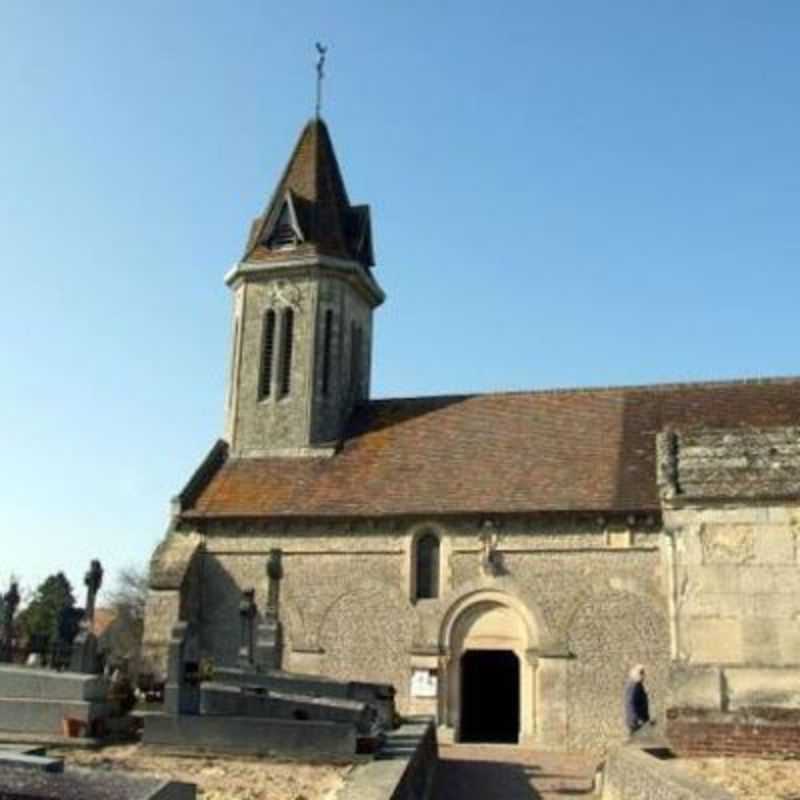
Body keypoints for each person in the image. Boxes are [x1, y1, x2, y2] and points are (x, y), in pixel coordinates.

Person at [623, 664, 651, 735]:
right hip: (636, 721)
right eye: (641, 673)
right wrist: (636, 719)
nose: (644, 676)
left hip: (638, 720)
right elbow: (630, 703)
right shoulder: (634, 685)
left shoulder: (636, 684)